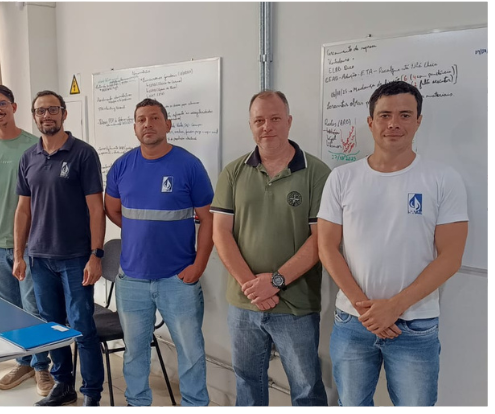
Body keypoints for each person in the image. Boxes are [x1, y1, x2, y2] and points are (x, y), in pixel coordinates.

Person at [317, 81, 468, 406]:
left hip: (415, 324)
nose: (394, 123)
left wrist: (394, 307)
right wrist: (366, 309)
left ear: (418, 120)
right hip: (353, 322)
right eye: (385, 115)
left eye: (405, 115)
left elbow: (451, 256)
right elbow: (327, 247)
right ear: (371, 122)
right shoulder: (342, 178)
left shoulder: (443, 179)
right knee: (352, 405)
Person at [211, 90, 329, 406]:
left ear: (289, 121)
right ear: (251, 125)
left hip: (296, 305)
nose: (267, 127)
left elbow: (321, 240)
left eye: (275, 118)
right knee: (247, 382)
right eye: (259, 120)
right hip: (244, 304)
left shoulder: (317, 173)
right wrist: (252, 287)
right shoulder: (233, 172)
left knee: (306, 388)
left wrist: (275, 281)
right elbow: (220, 233)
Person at [104, 98, 214, 406]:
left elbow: (208, 219)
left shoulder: (188, 165)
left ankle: (196, 405)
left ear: (167, 125)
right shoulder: (122, 166)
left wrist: (199, 265)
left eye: (154, 118)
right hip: (132, 280)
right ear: (134, 127)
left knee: (190, 351)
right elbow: (112, 209)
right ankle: (137, 404)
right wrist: (140, 230)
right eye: (141, 119)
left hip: (177, 279)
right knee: (134, 352)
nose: (147, 124)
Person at [14, 90, 105, 406]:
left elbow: (96, 209)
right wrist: (19, 254)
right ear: (34, 116)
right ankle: (63, 385)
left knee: (82, 328)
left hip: (76, 257)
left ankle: (92, 394)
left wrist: (96, 255)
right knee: (51, 327)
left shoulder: (83, 154)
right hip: (40, 258)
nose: (46, 115)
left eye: (52, 109)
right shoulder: (28, 157)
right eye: (40, 111)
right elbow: (23, 210)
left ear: (64, 113)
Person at [0, 85, 53, 396]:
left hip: (31, 245)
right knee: (9, 311)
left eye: (2, 103)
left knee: (33, 308)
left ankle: (43, 367)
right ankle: (23, 362)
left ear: (14, 107)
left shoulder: (34, 145)